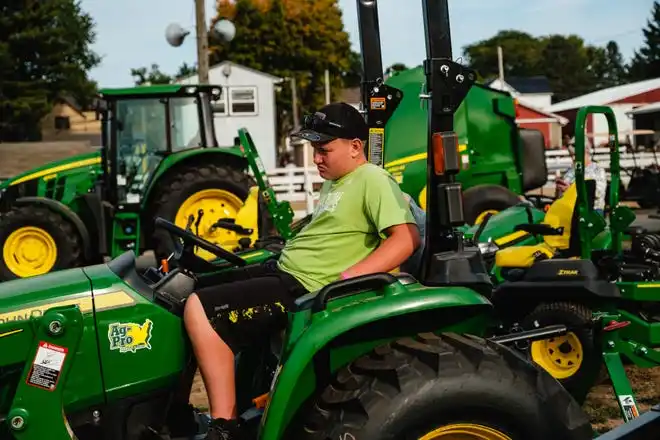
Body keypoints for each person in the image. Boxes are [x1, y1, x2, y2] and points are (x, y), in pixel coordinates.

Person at [183, 102, 421, 440]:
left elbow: (405, 239)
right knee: (183, 288)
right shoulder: (337, 182)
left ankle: (225, 428)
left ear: (356, 147)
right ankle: (178, 412)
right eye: (314, 149)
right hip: (284, 270)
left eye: (324, 150)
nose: (316, 159)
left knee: (201, 309)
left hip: (305, 287)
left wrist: (349, 277)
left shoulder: (372, 179)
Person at [555, 143, 607, 214]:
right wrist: (559, 189)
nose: (573, 158)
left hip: (592, 210)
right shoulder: (570, 171)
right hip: (570, 210)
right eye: (571, 155)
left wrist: (571, 190)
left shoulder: (597, 170)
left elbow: (598, 193)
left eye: (575, 155)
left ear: (586, 153)